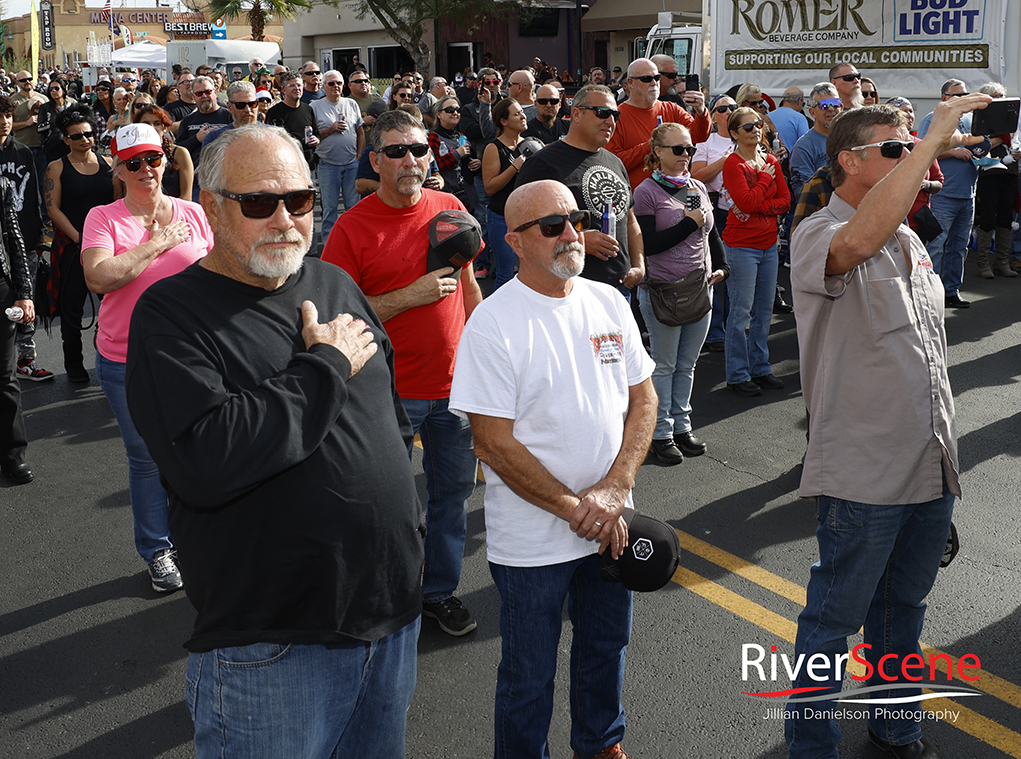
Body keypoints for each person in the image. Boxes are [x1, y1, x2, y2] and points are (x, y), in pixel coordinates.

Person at [123, 123, 423, 759]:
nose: (285, 219)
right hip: (273, 643)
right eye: (260, 203)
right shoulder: (171, 315)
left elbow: (390, 417)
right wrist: (323, 369)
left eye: (302, 200)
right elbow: (206, 459)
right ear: (210, 205)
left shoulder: (335, 286)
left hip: (390, 616)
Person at [786, 94, 991, 759]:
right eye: (895, 149)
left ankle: (893, 724)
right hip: (863, 470)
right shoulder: (819, 231)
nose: (913, 157)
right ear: (849, 160)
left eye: (912, 146)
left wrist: (941, 469)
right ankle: (808, 744)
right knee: (832, 619)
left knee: (903, 611)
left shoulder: (906, 236)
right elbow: (855, 242)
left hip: (927, 464)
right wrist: (932, 134)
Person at [449, 179, 656, 759]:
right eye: (552, 225)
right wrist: (576, 510)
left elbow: (644, 402)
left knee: (606, 646)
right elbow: (492, 443)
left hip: (611, 522)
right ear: (515, 241)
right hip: (535, 542)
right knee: (528, 674)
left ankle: (600, 744)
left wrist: (615, 490)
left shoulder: (609, 301)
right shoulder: (493, 324)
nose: (572, 233)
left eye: (575, 218)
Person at [323, 109, 483, 638]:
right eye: (397, 151)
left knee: (452, 498)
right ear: (375, 160)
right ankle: (384, 595)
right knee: (385, 506)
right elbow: (337, 317)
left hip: (456, 387)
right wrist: (408, 297)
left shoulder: (451, 207)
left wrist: (484, 352)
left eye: (419, 148)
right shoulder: (352, 226)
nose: (412, 160)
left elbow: (467, 285)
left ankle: (438, 592)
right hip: (388, 394)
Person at [81, 123, 214, 593]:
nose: (145, 169)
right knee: (146, 457)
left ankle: (194, 538)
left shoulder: (195, 212)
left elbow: (220, 276)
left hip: (194, 355)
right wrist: (158, 242)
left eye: (153, 158)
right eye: (133, 162)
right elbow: (99, 277)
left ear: (166, 159)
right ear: (117, 168)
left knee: (198, 449)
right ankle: (157, 548)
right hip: (126, 359)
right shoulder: (103, 218)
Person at [635, 123, 729, 465]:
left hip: (700, 288)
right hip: (664, 291)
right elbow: (648, 245)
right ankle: (659, 433)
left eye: (689, 149)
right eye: (678, 149)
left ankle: (681, 427)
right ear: (658, 152)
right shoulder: (646, 192)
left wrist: (722, 265)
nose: (685, 155)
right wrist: (688, 223)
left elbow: (709, 232)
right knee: (665, 364)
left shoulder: (695, 187)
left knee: (687, 365)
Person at [516, 85, 645, 295]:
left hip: (620, 289)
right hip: (567, 291)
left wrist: (639, 266)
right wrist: (580, 239)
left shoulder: (615, 162)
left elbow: (630, 219)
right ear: (576, 114)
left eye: (615, 115)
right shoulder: (543, 164)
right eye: (602, 113)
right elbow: (523, 228)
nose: (610, 121)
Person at [44, 105, 117, 383]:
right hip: (72, 246)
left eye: (88, 133)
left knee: (112, 303)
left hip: (108, 247)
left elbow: (117, 203)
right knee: (71, 307)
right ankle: (73, 362)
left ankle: (109, 354)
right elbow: (53, 209)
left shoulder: (109, 163)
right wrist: (79, 237)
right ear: (66, 140)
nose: (85, 139)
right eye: (77, 136)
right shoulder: (56, 168)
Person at [721, 106, 791, 397]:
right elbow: (746, 202)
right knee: (740, 312)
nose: (755, 130)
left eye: (758, 125)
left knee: (763, 312)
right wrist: (764, 179)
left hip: (768, 245)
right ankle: (737, 374)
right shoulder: (733, 164)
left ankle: (760, 368)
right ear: (735, 133)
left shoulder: (771, 160)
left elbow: (785, 200)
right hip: (741, 247)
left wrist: (762, 205)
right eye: (748, 127)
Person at [917, 79, 980, 307]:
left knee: (959, 247)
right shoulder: (932, 119)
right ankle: (928, 296)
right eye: (957, 95)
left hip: (967, 194)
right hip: (943, 195)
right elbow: (922, 150)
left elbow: (977, 147)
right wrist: (953, 152)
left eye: (965, 94)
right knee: (935, 246)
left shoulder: (970, 119)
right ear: (944, 98)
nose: (962, 98)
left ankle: (951, 291)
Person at [606, 57, 710, 190]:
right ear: (630, 82)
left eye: (657, 78)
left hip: (674, 194)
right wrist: (652, 145)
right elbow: (614, 163)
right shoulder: (616, 116)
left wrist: (701, 111)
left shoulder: (672, 108)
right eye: (647, 79)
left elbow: (700, 136)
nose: (654, 83)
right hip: (637, 199)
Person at [0, 169, 35, 484]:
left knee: (4, 376)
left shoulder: (1, 184)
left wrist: (24, 293)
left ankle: (13, 455)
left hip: (0, 287)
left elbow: (14, 239)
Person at [972, 81, 1018, 279]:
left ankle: (1002, 262)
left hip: (1008, 172)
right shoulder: (980, 118)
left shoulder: (1010, 119)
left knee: (1006, 217)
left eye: (1001, 96)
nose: (999, 100)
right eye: (995, 96)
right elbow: (979, 146)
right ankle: (983, 264)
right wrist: (1001, 138)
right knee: (988, 217)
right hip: (989, 172)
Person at [482, 97, 529, 289]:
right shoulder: (493, 148)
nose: (523, 116)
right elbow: (490, 187)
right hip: (501, 217)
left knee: (528, 273)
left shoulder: (529, 143)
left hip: (527, 218)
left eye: (522, 112)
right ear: (503, 121)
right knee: (505, 273)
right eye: (517, 114)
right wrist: (514, 167)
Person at [312, 70, 364, 240]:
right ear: (323, 86)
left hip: (351, 163)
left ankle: (353, 242)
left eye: (339, 83)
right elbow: (312, 136)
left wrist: (359, 156)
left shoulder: (351, 104)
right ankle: (329, 245)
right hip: (328, 164)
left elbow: (360, 132)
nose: (336, 87)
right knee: (330, 208)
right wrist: (331, 129)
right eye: (331, 84)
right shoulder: (315, 106)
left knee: (353, 207)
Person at [176, 76, 233, 201]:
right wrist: (196, 139)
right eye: (199, 93)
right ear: (194, 96)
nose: (204, 96)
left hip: (225, 183)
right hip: (196, 184)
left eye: (208, 92)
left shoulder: (229, 116)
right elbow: (177, 150)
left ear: (215, 92)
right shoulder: (188, 121)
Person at [789, 83, 843, 196]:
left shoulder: (851, 139)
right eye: (824, 105)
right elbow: (803, 193)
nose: (831, 108)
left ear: (841, 107)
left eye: (835, 103)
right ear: (812, 112)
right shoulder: (803, 147)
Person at [134, 103, 194, 199]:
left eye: (157, 123)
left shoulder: (180, 153)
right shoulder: (133, 155)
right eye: (146, 124)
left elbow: (186, 196)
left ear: (165, 127)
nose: (152, 128)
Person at [428, 96, 477, 212]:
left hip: (466, 196)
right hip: (445, 196)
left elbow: (469, 164)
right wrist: (456, 154)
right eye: (450, 110)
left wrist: (477, 164)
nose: (455, 113)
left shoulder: (462, 136)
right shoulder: (433, 137)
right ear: (438, 114)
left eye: (458, 110)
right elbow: (434, 168)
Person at [266, 72, 320, 169]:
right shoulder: (274, 112)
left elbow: (317, 133)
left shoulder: (308, 109)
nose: (297, 88)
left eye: (299, 85)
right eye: (292, 86)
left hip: (307, 164)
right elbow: (269, 142)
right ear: (283, 90)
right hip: (285, 164)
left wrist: (316, 140)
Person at [37, 78, 77, 164]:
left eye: (56, 88)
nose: (53, 91)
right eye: (51, 89)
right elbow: (39, 129)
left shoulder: (72, 106)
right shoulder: (45, 107)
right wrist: (54, 122)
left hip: (71, 145)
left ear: (63, 90)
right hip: (53, 146)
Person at [768, 86, 809, 154]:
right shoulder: (799, 118)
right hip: (791, 160)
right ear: (799, 101)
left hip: (770, 159)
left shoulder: (768, 116)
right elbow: (806, 144)